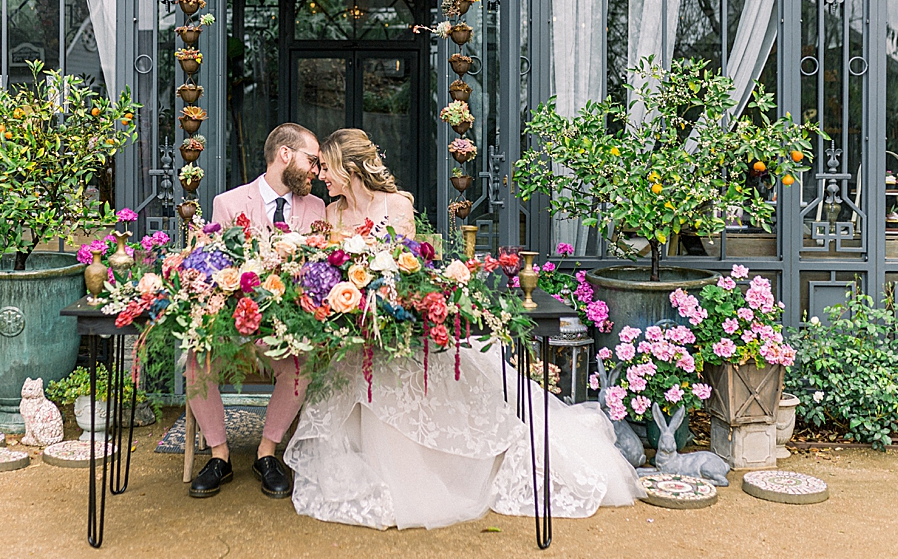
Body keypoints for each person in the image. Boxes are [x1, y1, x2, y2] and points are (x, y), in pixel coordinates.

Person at [282, 128, 642, 529]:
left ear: (350, 170)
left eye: (327, 168)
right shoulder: (330, 214)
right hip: (359, 330)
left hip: (399, 325)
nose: (322, 176)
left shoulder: (397, 206)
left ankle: (435, 472)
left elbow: (405, 269)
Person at [186, 123, 327, 500]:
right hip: (234, 326)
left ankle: (267, 453)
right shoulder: (228, 204)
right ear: (285, 154)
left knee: (302, 363)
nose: (316, 170)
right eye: (311, 160)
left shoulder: (317, 208)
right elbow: (214, 269)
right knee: (196, 360)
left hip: (286, 328)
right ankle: (220, 456)